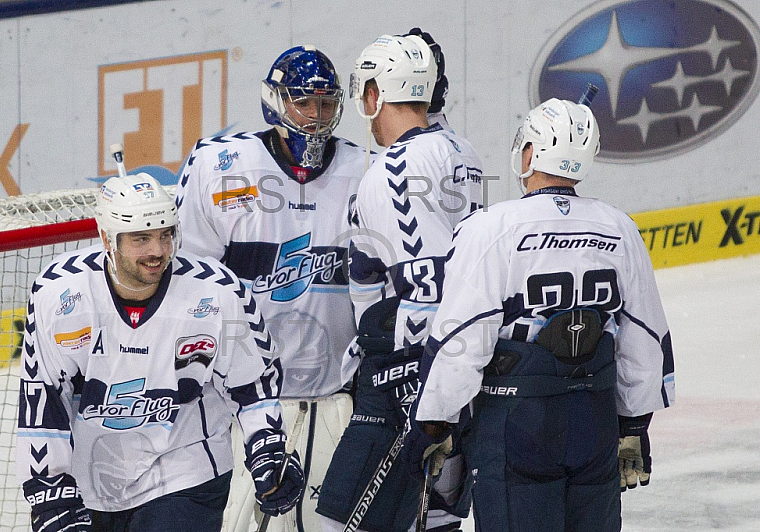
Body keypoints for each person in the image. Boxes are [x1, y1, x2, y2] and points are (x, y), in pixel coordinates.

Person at [407, 98, 676, 531]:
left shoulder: (492, 227)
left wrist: (435, 423)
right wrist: (634, 424)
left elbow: (463, 338)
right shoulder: (619, 227)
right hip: (595, 422)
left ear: (529, 153)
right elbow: (645, 336)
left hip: (518, 425)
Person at [15, 173, 304, 532]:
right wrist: (50, 488)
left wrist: (266, 448)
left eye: (165, 234)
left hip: (185, 470)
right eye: (141, 238)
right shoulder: (59, 294)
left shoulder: (216, 292)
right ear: (107, 238)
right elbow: (44, 399)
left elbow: (253, 386)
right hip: (89, 480)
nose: (157, 251)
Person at [174, 45, 368, 531]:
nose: (315, 117)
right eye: (303, 103)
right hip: (242, 404)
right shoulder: (220, 166)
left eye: (326, 105)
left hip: (335, 400)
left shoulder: (364, 170)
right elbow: (187, 287)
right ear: (275, 102)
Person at [315, 33, 484, 532]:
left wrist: (427, 402)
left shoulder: (395, 168)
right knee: (433, 523)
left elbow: (429, 291)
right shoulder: (459, 148)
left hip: (409, 382)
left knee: (338, 523)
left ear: (375, 96)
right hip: (460, 372)